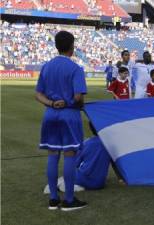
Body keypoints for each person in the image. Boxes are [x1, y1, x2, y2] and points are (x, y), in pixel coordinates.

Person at [35, 30, 87, 211]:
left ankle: (54, 199)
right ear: (72, 47)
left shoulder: (47, 66)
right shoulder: (75, 69)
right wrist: (75, 103)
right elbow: (78, 96)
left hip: (50, 114)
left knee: (52, 155)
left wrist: (51, 103)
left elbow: (38, 94)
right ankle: (69, 200)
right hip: (69, 115)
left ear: (57, 46)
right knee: (69, 155)